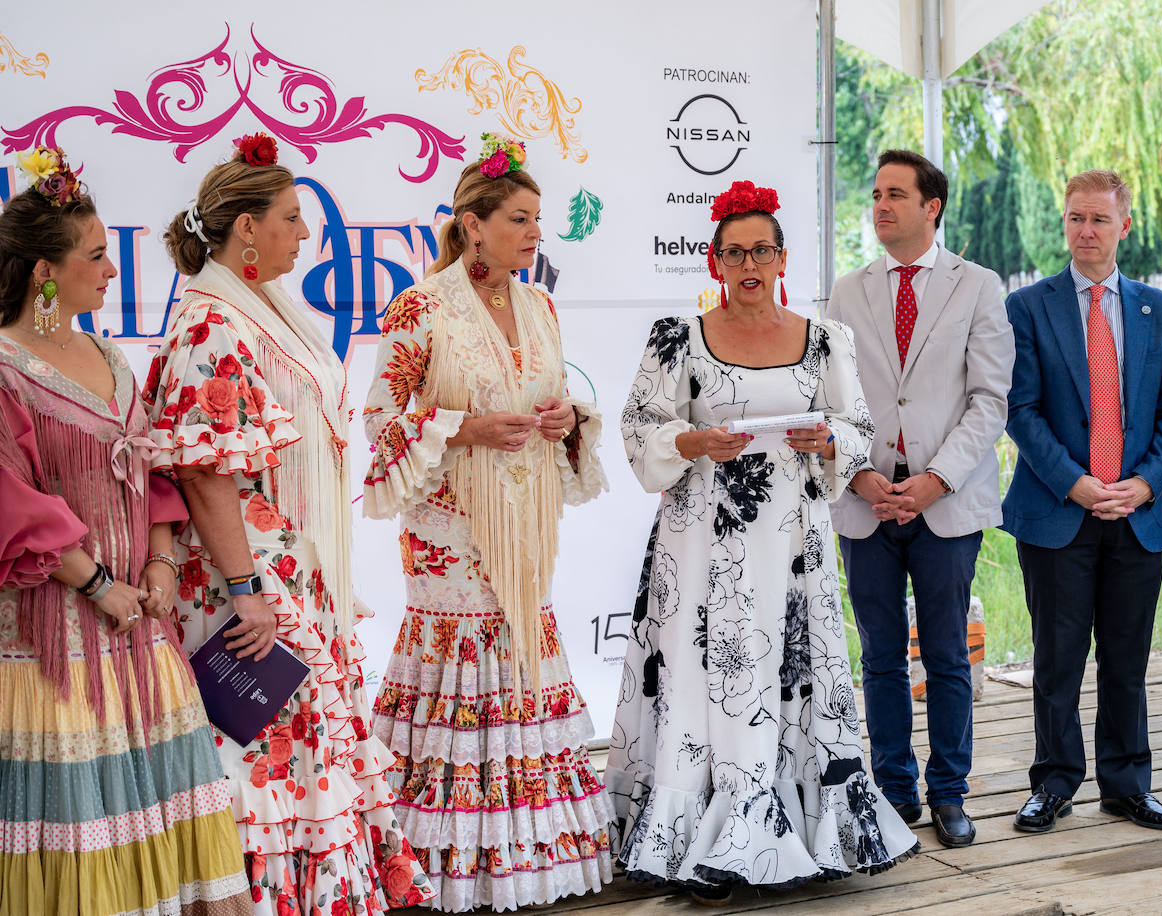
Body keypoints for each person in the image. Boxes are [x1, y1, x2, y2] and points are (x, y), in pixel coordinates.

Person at [143, 133, 433, 913]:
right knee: (271, 760)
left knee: (304, 761)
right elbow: (204, 474)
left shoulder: (259, 308)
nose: (305, 235)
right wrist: (247, 589)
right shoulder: (211, 324)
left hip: (285, 575)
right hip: (252, 591)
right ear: (245, 229)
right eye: (291, 218)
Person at [610, 179, 919, 905]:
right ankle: (701, 839)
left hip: (792, 551)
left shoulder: (823, 341)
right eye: (735, 252)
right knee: (700, 679)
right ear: (714, 263)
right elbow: (639, 430)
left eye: (762, 251)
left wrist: (827, 436)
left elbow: (860, 428)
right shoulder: (677, 340)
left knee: (788, 674)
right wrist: (693, 439)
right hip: (699, 548)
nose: (749, 264)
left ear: (782, 258)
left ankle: (798, 832)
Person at [361, 134, 615, 912]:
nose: (535, 232)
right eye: (519, 218)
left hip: (525, 518)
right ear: (472, 223)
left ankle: (526, 850)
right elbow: (378, 417)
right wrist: (465, 428)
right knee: (463, 660)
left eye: (539, 219)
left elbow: (561, 401)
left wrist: (567, 415)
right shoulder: (421, 305)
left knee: (521, 644)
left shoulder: (539, 303)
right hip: (450, 528)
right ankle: (441, 856)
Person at [0, 148, 252, 914]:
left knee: (175, 823)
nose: (113, 270)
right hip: (58, 642)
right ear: (45, 271)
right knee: (87, 831)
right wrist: (99, 584)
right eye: (97, 256)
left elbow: (154, 481)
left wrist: (163, 565)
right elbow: (10, 502)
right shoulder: (7, 368)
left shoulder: (110, 356)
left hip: (142, 633)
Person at [824, 150, 1013, 848]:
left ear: (932, 206)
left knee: (946, 655)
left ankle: (949, 793)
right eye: (875, 194)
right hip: (866, 499)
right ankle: (894, 791)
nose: (880, 206)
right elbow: (831, 398)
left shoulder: (978, 287)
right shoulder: (848, 291)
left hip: (946, 500)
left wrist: (936, 478)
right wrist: (858, 475)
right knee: (878, 654)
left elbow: (990, 400)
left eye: (896, 194)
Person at [1002, 170, 1162, 834]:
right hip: (1059, 511)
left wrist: (1145, 482)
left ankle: (1127, 784)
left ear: (1124, 226)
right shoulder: (1027, 307)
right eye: (1076, 218)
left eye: (1099, 220)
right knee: (1057, 657)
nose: (1086, 231)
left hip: (1137, 512)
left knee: (1127, 658)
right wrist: (1074, 484)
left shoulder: (1158, 311)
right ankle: (1053, 783)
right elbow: (1020, 410)